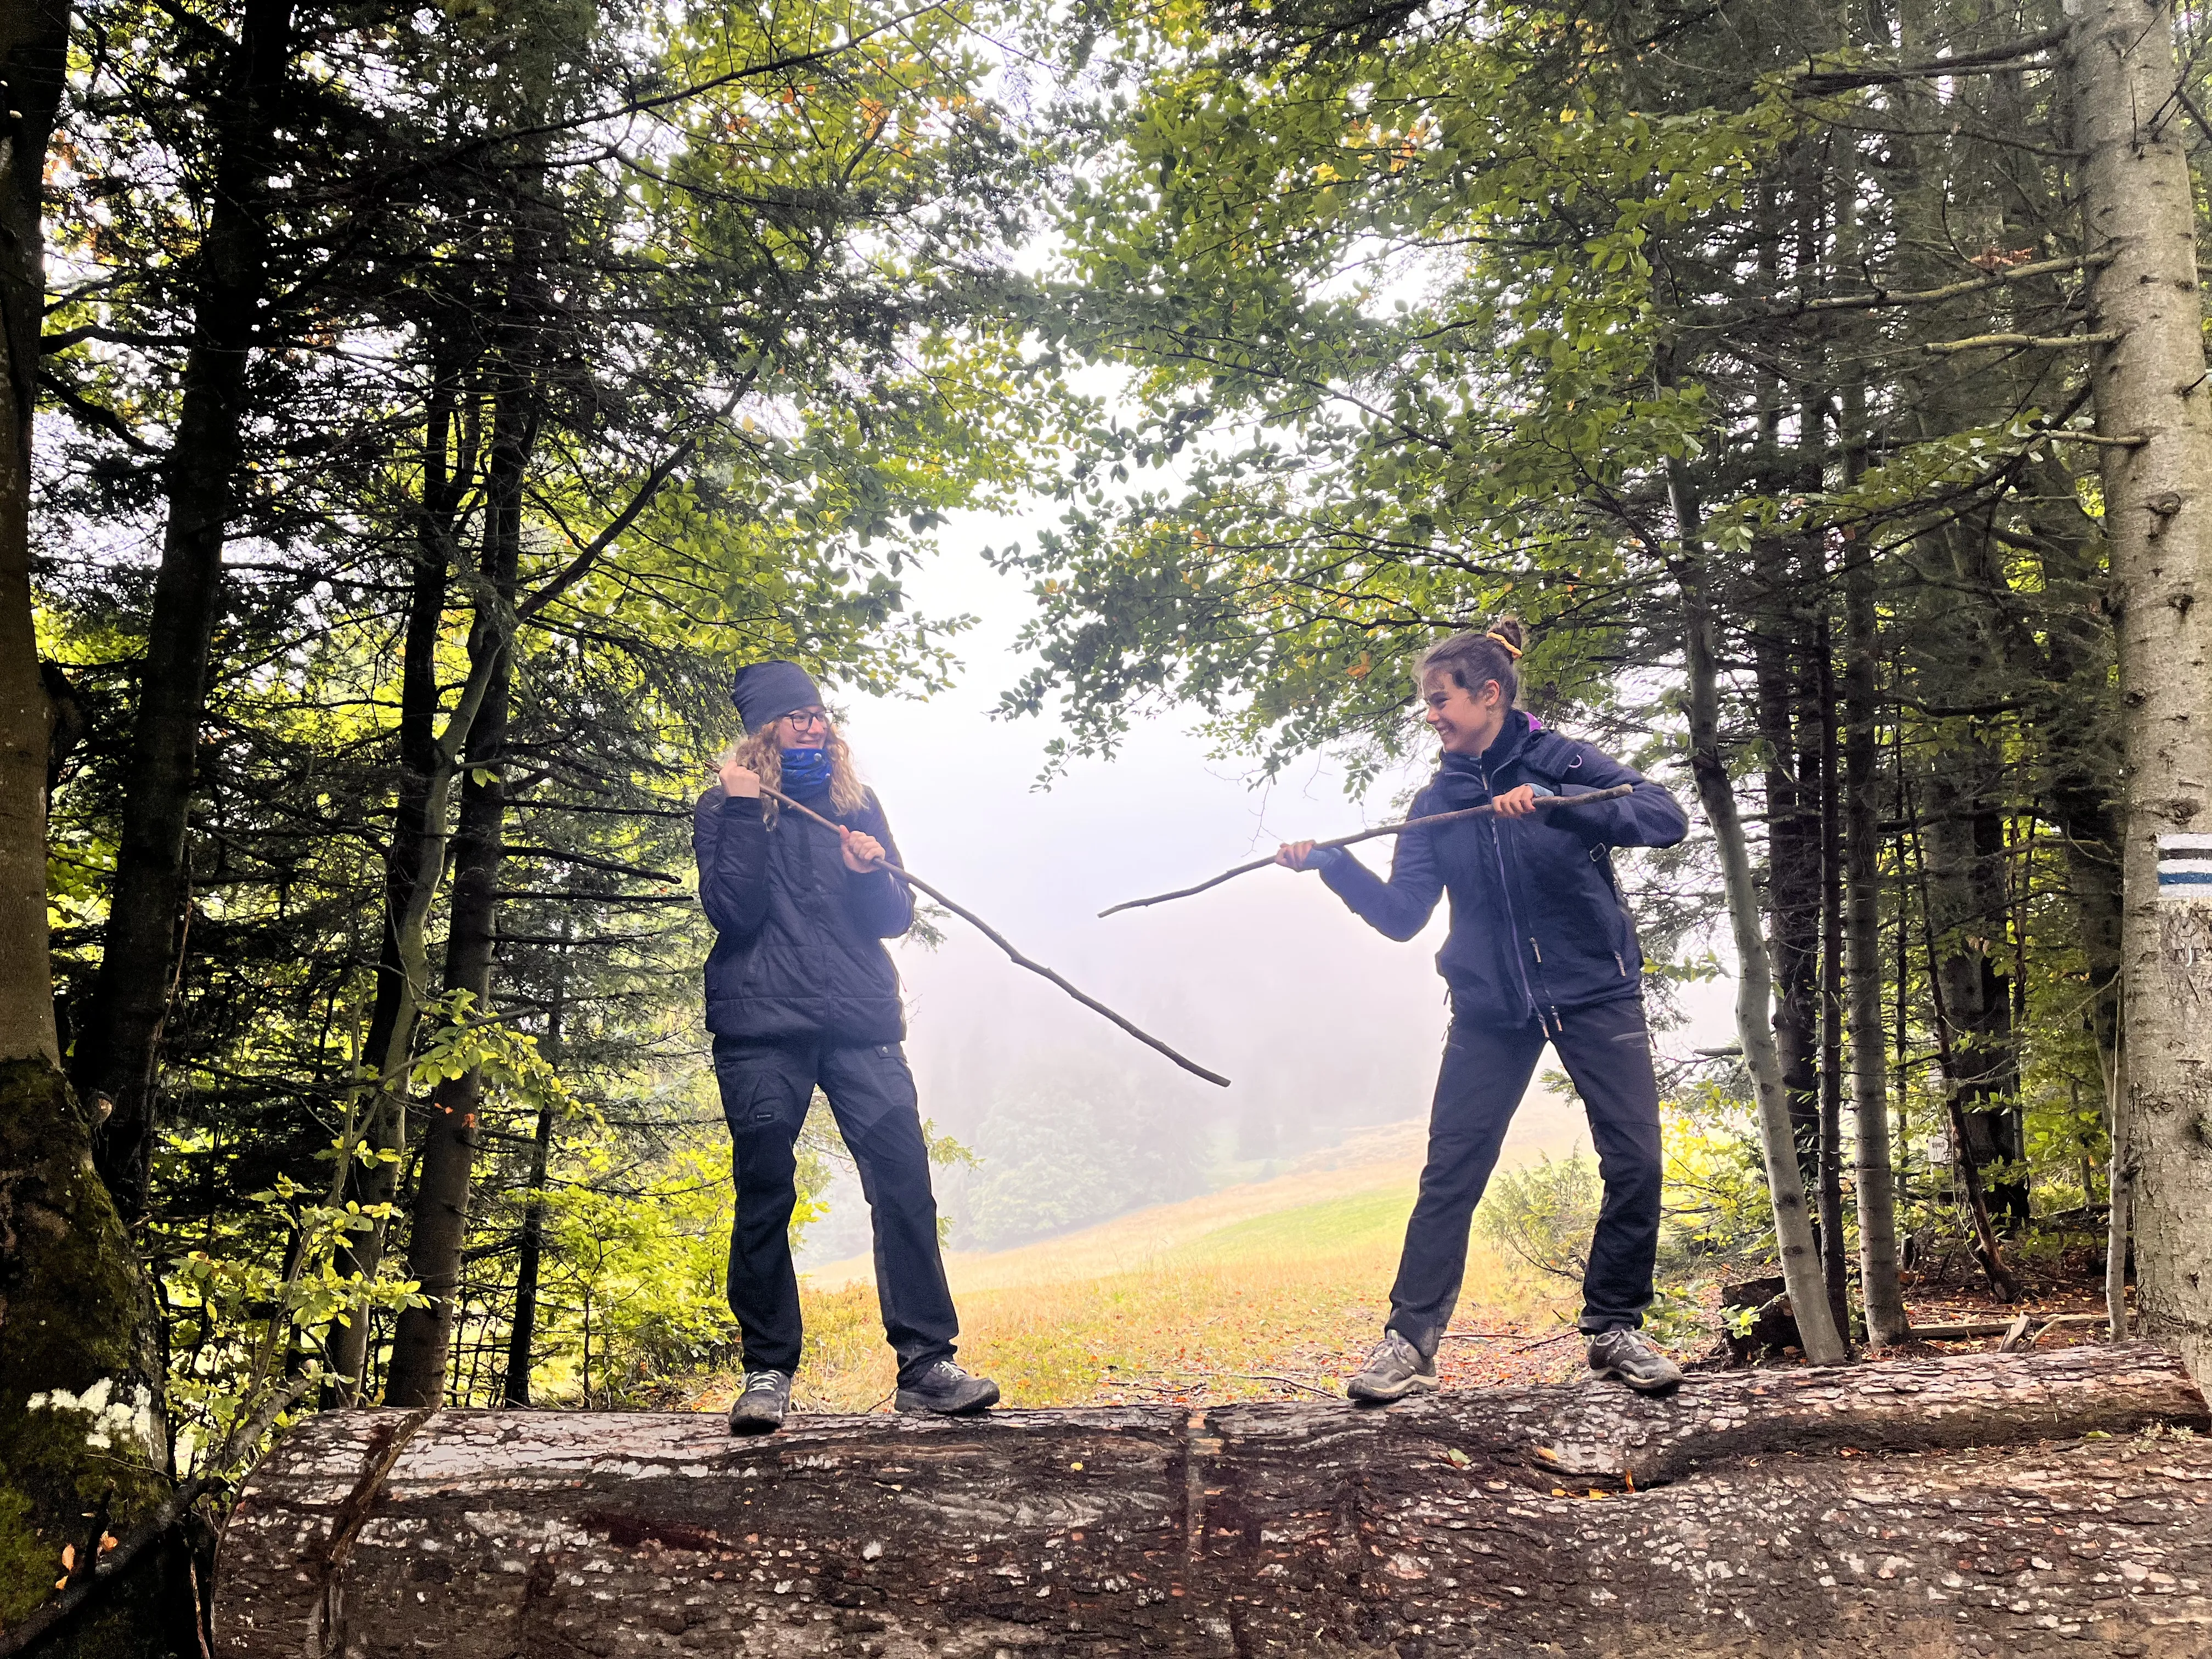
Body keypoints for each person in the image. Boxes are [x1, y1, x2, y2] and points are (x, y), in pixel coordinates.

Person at [1276, 619, 1691, 1397]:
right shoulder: (1439, 799)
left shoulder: (1565, 761)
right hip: (1490, 1009)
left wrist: (1560, 804)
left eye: (1441, 700)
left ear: (1489, 694)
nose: (1431, 715)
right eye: (1427, 704)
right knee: (1451, 1175)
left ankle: (1614, 1329)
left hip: (1595, 993)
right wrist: (1334, 864)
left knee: (1635, 1161)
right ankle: (1409, 1343)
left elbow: (1664, 818)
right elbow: (1402, 914)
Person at [695, 659, 999, 1434]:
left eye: (819, 713)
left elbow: (893, 916)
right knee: (766, 1189)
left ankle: (927, 1365)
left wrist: (869, 873)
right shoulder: (728, 805)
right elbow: (735, 912)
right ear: (764, 729)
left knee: (902, 1182)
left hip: (860, 1022)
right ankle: (767, 1370)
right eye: (795, 714)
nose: (812, 724)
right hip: (762, 1027)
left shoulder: (856, 805)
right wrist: (738, 813)